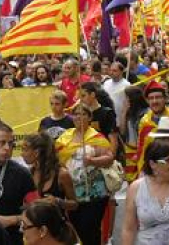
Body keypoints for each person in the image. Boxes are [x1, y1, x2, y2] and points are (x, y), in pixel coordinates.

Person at [55, 104, 114, 245]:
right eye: (75, 114)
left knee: (90, 228)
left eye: (83, 114)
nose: (78, 117)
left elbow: (109, 159)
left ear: (89, 117)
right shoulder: (65, 137)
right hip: (72, 193)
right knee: (77, 227)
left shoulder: (96, 137)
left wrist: (92, 160)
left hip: (94, 192)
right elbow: (57, 158)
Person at [21, 132, 78, 212]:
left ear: (36, 153)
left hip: (56, 223)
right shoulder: (29, 172)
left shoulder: (62, 174)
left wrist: (57, 201)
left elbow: (74, 204)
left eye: (25, 149)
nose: (21, 154)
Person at [79, 82, 118, 154]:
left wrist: (111, 156)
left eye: (83, 96)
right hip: (87, 152)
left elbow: (113, 138)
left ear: (93, 95)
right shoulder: (81, 114)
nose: (81, 99)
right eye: (79, 97)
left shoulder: (107, 113)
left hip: (104, 152)